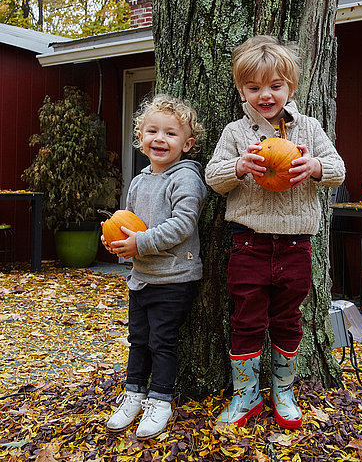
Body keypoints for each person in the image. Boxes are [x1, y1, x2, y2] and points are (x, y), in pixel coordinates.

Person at [205, 35, 345, 429]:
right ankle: (245, 396)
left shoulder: (309, 129)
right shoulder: (237, 133)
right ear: (242, 90)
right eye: (254, 88)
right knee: (246, 319)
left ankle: (284, 391)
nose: (265, 95)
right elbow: (212, 177)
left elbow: (338, 170)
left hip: (296, 246)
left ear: (291, 87)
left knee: (288, 318)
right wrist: (238, 168)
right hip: (248, 244)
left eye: (274, 86)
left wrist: (314, 167)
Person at [103, 94, 207, 439]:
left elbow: (183, 225)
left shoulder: (187, 178)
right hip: (141, 276)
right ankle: (133, 394)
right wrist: (118, 244)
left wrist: (139, 243)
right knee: (138, 339)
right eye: (152, 131)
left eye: (170, 134)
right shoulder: (139, 180)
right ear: (140, 137)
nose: (159, 139)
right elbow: (127, 223)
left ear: (187, 144)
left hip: (175, 276)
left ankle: (160, 400)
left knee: (163, 341)